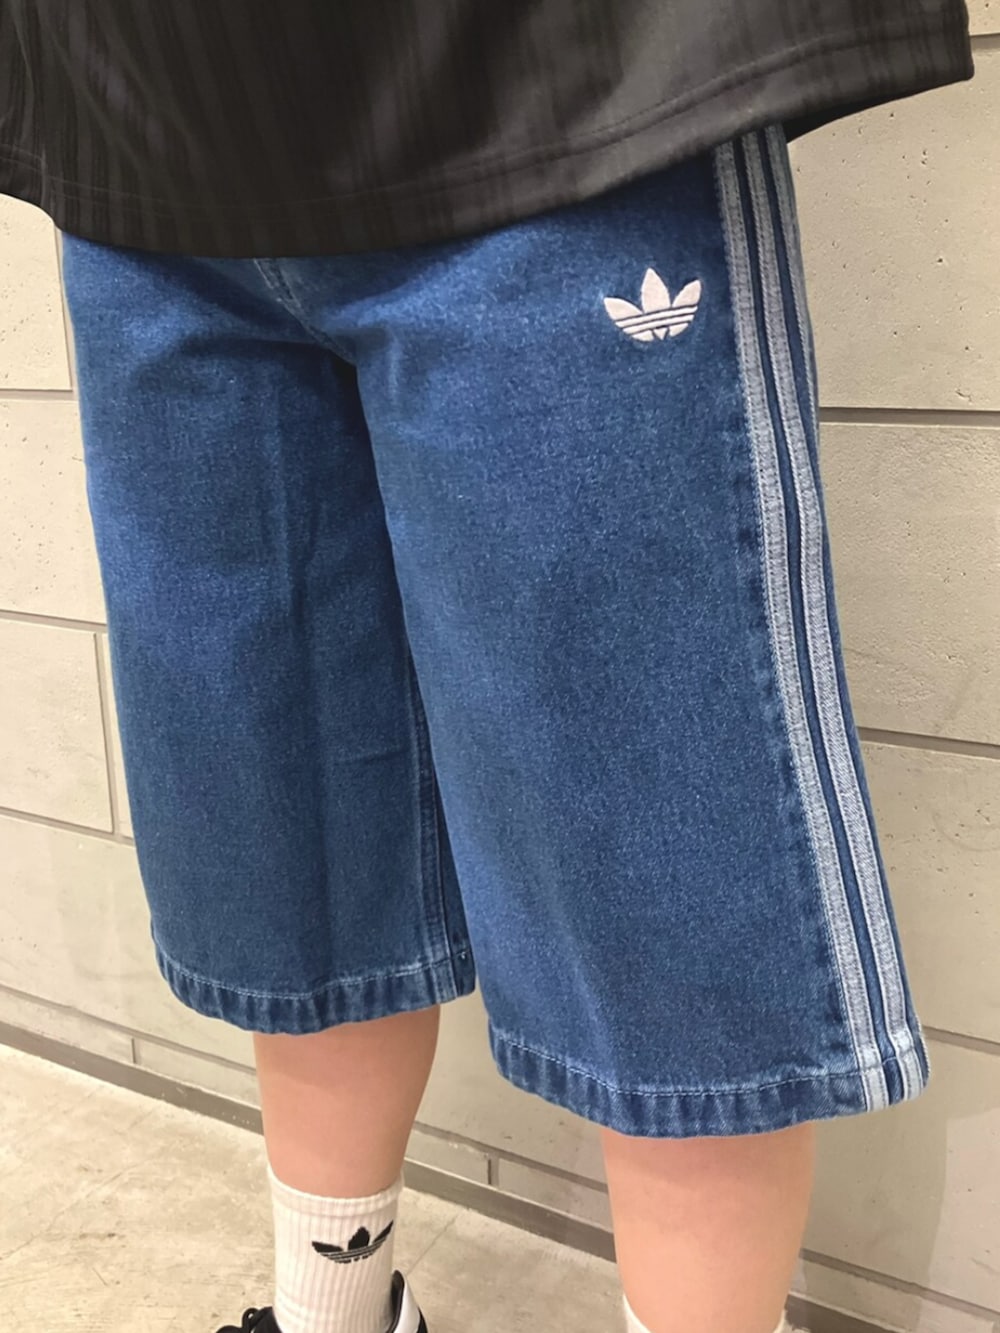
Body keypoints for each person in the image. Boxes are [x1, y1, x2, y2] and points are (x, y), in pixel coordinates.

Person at [0, 4, 974, 1332]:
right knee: (284, 832)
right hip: (134, 124)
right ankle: (334, 1314)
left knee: (661, 866)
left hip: (553, 91)